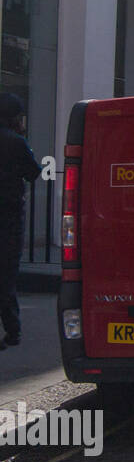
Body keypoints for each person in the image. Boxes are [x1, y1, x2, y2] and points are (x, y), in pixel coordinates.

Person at [0, 94, 40, 347]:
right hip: (9, 216)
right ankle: (12, 330)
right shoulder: (16, 142)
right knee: (6, 275)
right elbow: (33, 172)